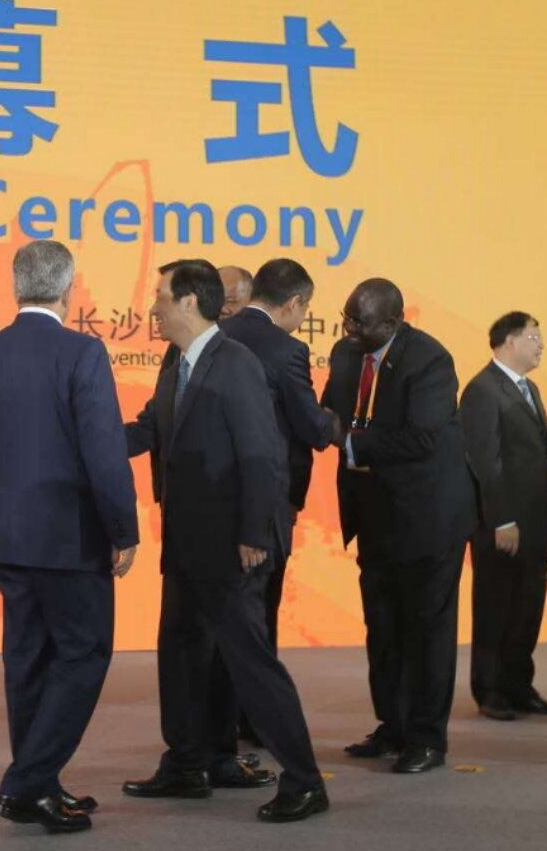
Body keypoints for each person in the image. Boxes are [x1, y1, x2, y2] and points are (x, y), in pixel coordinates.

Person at [0, 240, 139, 834]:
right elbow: (104, 452)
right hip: (71, 537)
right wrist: (122, 529)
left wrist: (2, 492)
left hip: (10, 536)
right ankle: (25, 784)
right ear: (69, 289)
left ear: (15, 286)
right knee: (83, 655)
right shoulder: (83, 352)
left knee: (26, 661)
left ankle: (40, 788)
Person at [123, 259, 329, 825]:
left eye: (161, 296)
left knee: (251, 663)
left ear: (190, 302)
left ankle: (305, 781)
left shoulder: (236, 362)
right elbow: (150, 428)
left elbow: (261, 452)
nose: (153, 308)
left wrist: (254, 533)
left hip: (234, 546)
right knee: (181, 653)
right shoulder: (176, 360)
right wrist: (84, 442)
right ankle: (186, 764)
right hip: (185, 542)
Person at [322, 278, 474, 774]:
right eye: (346, 317)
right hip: (375, 513)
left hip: (429, 516)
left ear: (392, 322)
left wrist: (351, 443)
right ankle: (393, 726)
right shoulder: (346, 354)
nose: (349, 328)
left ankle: (427, 739)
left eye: (359, 322)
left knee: (427, 630)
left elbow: (421, 438)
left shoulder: (430, 360)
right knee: (383, 626)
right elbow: (330, 413)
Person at [216, 259, 338, 743]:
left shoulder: (215, 335)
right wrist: (336, 421)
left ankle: (220, 723)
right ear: (294, 303)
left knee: (223, 616)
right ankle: (258, 723)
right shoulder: (286, 349)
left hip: (215, 498)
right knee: (258, 617)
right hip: (266, 503)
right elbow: (312, 427)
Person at [459, 312, 547, 721]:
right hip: (502, 524)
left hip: (535, 523)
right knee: (496, 606)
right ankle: (490, 690)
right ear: (508, 341)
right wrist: (501, 519)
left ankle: (519, 684)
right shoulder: (483, 390)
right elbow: (486, 462)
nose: (541, 345)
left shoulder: (528, 388)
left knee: (527, 606)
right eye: (533, 338)